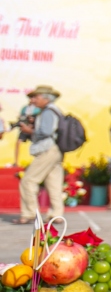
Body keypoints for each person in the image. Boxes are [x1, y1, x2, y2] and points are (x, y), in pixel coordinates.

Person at [15, 85, 66, 223]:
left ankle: (29, 213)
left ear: (45, 98)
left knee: (28, 180)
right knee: (53, 183)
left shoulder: (48, 111)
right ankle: (56, 214)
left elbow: (46, 131)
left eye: (36, 97)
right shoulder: (54, 110)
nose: (33, 100)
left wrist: (29, 130)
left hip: (47, 149)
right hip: (56, 149)